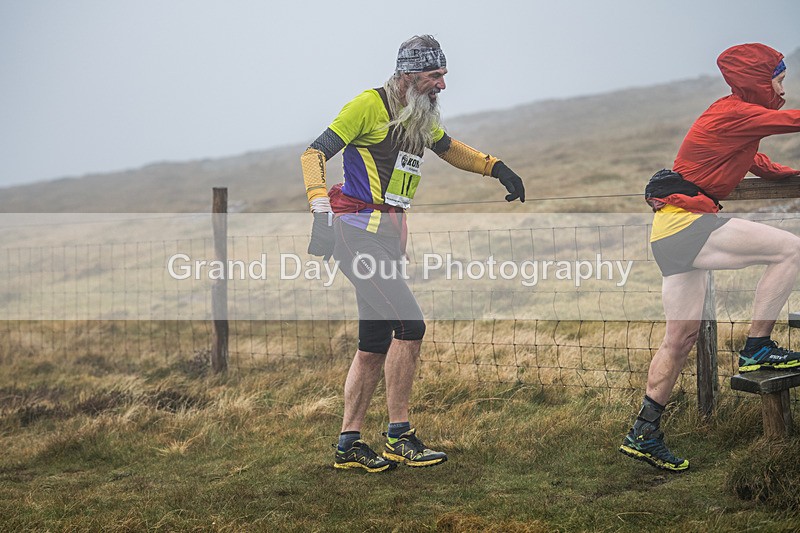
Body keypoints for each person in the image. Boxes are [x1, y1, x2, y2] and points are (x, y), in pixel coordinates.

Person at [300, 35, 526, 472]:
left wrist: (497, 168)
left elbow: (449, 148)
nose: (441, 84)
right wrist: (318, 206)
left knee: (373, 343)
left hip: (385, 237)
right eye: (433, 75)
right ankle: (399, 435)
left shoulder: (418, 115)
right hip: (355, 233)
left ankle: (349, 445)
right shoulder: (369, 105)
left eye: (443, 75)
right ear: (407, 75)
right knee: (410, 325)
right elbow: (314, 154)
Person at [620, 43, 800, 471]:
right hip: (688, 224)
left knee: (679, 339)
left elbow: (755, 161)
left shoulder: (735, 118)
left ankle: (643, 431)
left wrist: (792, 175)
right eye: (779, 77)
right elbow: (793, 121)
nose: (784, 85)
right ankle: (757, 347)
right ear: (759, 80)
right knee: (792, 249)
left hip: (669, 232)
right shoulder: (735, 112)